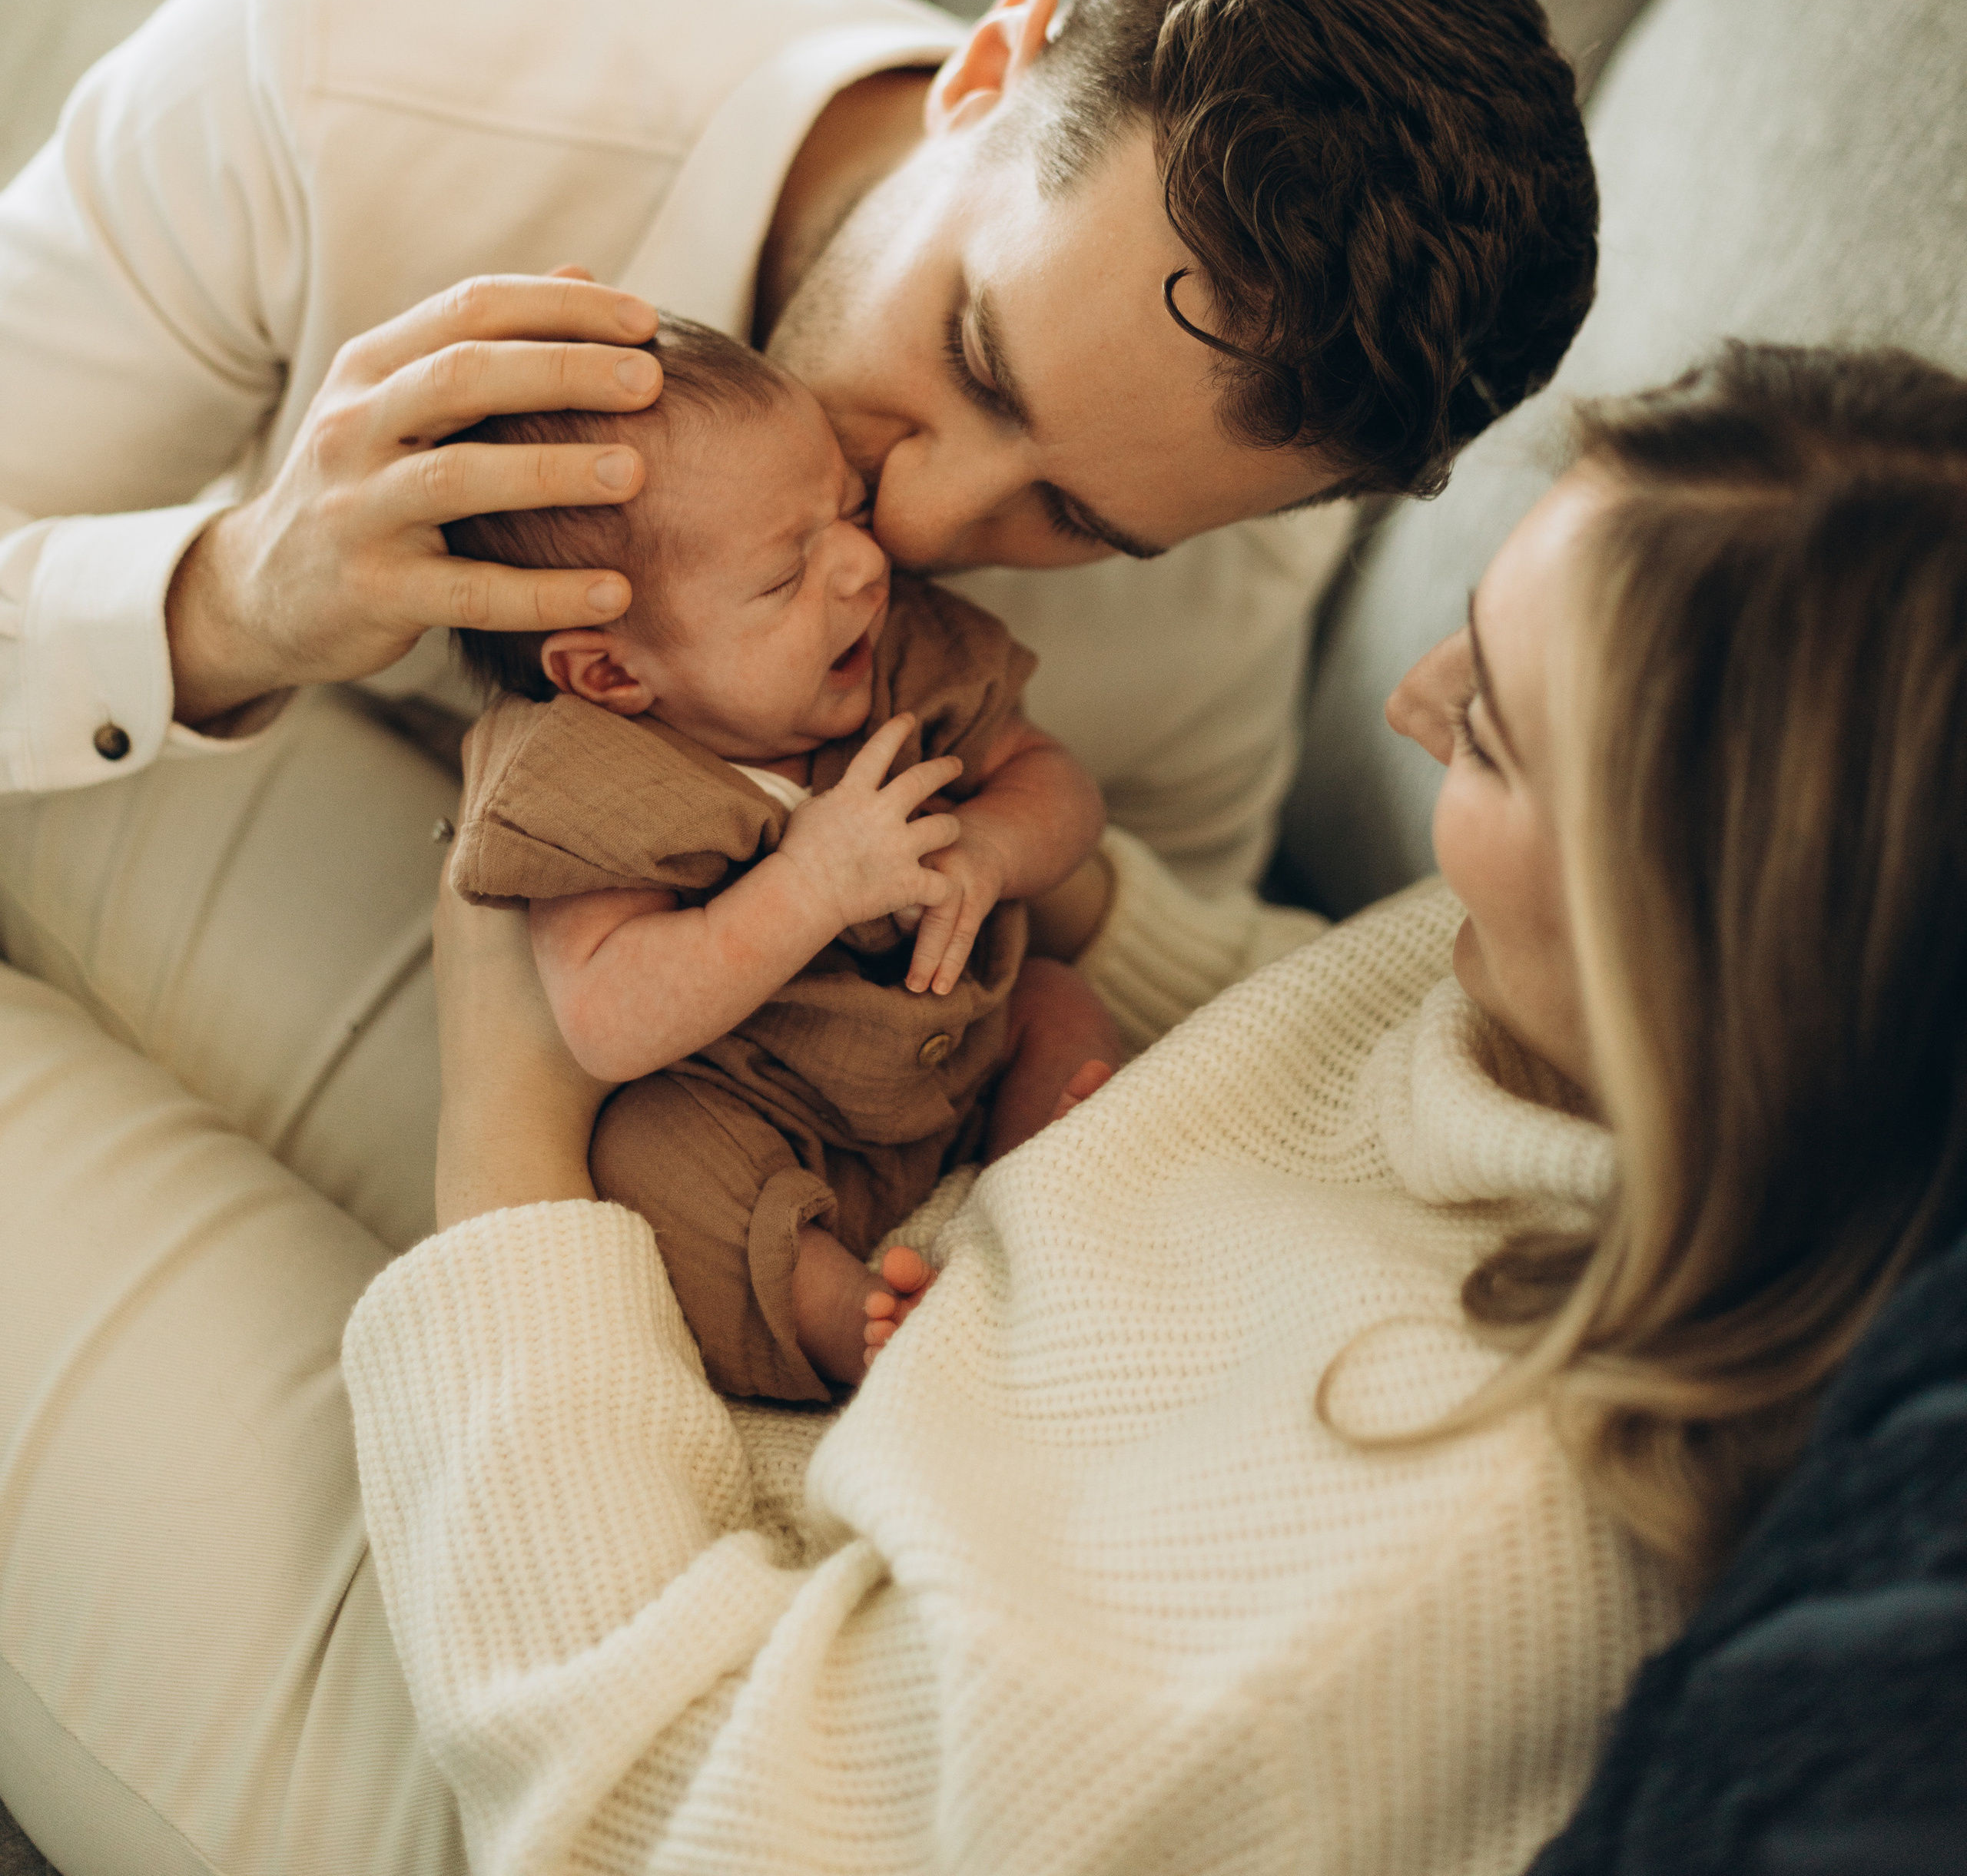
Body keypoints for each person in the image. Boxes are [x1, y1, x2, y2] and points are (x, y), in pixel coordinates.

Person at [0, 0, 1596, 1870]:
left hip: (669, 1139)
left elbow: (1033, 1053)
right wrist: (237, 596)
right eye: (981, 362)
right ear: (988, 67)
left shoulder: (1219, 566)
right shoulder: (375, 71)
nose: (913, 520)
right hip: (196, 682)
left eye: (1075, 522)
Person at [341, 343, 1967, 1876]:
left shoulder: (1398, 1580)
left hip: (598, 1671)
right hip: (820, 1240)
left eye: (1482, 732)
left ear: (1682, 938)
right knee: (247, 778)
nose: (1414, 698)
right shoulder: (1576, 1022)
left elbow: (671, 1817)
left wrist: (505, 1137)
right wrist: (1011, 893)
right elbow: (1329, 1033)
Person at [443, 315, 1116, 1398]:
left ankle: (1059, 1186)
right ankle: (848, 1320)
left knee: (1055, 999)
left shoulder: (905, 662)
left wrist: (992, 845)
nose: (860, 564)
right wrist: (807, 887)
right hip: (769, 1122)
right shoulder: (592, 783)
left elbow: (1057, 782)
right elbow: (607, 1019)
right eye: (783, 574)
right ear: (611, 677)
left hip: (961, 1042)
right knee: (654, 1159)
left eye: (846, 509)